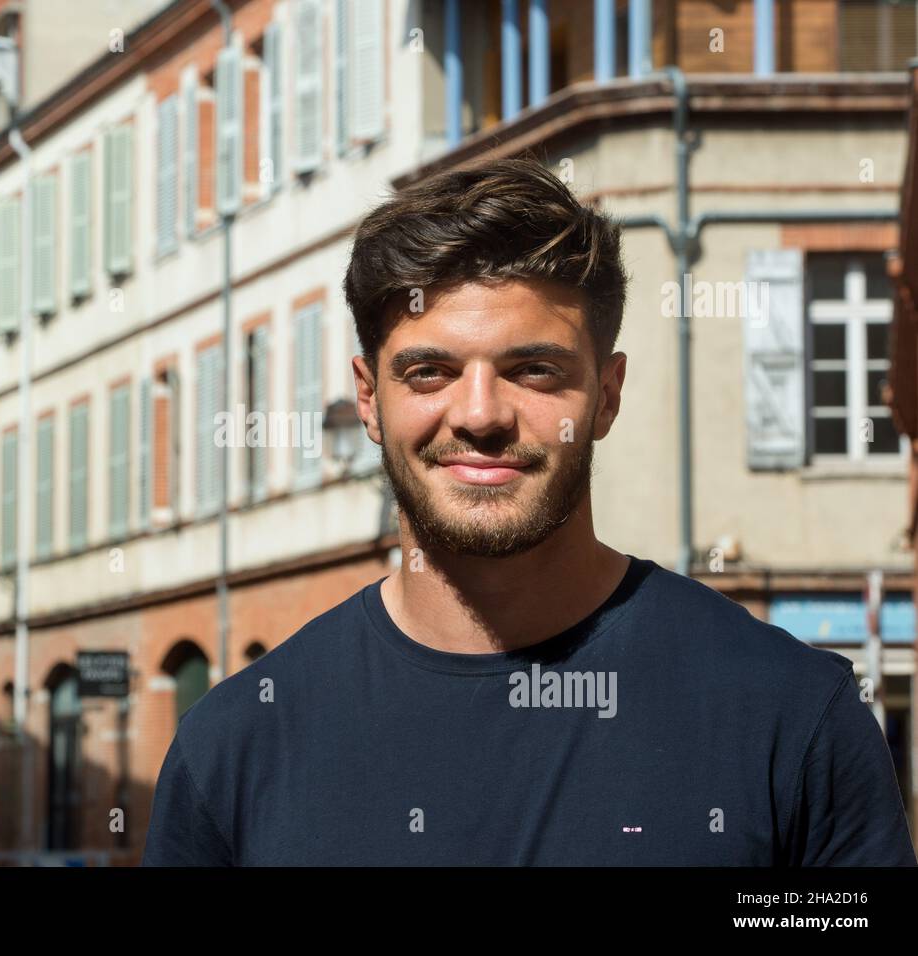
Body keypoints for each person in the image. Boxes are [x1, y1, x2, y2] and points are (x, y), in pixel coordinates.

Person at [141, 157, 917, 866]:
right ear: (369, 399)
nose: (480, 415)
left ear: (606, 395)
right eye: (430, 371)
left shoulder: (792, 721)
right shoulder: (234, 748)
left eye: (534, 371)